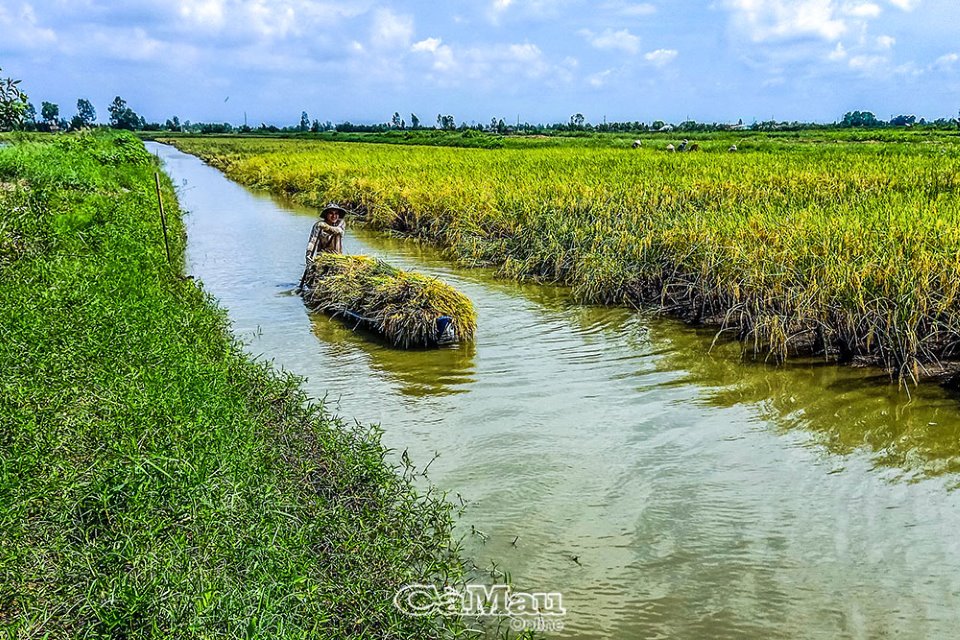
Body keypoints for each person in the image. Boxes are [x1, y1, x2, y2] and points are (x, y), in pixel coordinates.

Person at [300, 203, 347, 290]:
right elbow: (312, 241)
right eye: (331, 213)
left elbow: (337, 231)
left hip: (337, 258)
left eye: (336, 213)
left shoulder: (341, 223)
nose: (334, 216)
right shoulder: (318, 226)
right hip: (322, 257)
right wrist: (308, 254)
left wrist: (324, 226)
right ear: (326, 215)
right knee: (317, 279)